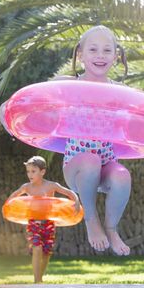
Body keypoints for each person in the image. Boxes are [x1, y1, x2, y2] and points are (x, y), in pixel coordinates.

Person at [54, 25, 132, 256]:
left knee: (122, 176)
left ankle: (111, 228)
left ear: (116, 56)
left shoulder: (120, 92)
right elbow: (37, 104)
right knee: (90, 161)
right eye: (94, 49)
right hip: (76, 166)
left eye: (107, 50)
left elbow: (135, 122)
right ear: (80, 54)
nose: (100, 56)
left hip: (107, 161)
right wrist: (10, 109)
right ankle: (91, 220)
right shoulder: (67, 86)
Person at [6, 156, 80, 283]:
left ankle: (40, 278)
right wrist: (8, 206)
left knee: (46, 252)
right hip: (34, 222)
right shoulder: (27, 187)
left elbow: (69, 193)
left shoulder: (51, 186)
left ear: (42, 172)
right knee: (37, 248)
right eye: (28, 171)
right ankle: (37, 280)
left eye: (33, 171)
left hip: (48, 223)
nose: (30, 174)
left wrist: (76, 201)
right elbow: (13, 196)